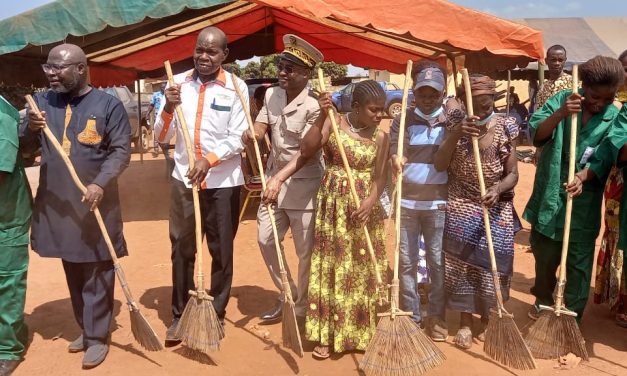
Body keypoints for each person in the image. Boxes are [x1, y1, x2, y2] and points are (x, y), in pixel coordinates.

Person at [20, 44, 131, 369]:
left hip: (96, 203)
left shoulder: (107, 105)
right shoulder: (41, 103)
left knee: (96, 269)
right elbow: (24, 148)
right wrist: (30, 128)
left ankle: (98, 337)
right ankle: (86, 327)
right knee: (72, 265)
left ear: (81, 69)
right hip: (59, 206)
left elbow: (121, 151)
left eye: (59, 68)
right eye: (48, 68)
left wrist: (100, 183)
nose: (51, 74)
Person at [154, 27, 248, 345]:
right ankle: (179, 316)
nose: (203, 56)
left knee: (221, 250)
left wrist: (208, 159)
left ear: (224, 55)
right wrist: (167, 108)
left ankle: (216, 314)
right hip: (184, 180)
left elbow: (238, 136)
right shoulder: (176, 85)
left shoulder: (236, 87)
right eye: (199, 50)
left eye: (211, 51)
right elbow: (161, 138)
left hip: (223, 182)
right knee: (182, 248)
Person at [523, 55, 625, 323]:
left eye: (608, 97)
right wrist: (561, 114)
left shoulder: (613, 116)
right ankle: (543, 301)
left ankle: (572, 317)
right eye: (594, 96)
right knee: (545, 255)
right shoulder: (561, 100)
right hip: (550, 193)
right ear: (584, 86)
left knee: (579, 264)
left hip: (584, 200)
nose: (600, 103)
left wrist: (582, 176)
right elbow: (536, 135)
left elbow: (606, 155)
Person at [301, 80, 389, 359]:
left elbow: (380, 177)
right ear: (355, 107)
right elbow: (307, 148)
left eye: (382, 110)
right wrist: (321, 114)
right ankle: (327, 333)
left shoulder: (382, 137)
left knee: (361, 269)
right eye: (373, 110)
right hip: (334, 208)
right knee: (333, 266)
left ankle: (361, 332)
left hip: (364, 210)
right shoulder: (334, 122)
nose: (379, 115)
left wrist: (370, 202)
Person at [243, 34, 324, 324]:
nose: (282, 72)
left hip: (304, 185)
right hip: (274, 180)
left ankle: (301, 308)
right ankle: (287, 294)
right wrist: (253, 132)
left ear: (306, 74)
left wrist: (277, 179)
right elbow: (262, 123)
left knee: (305, 253)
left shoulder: (315, 107)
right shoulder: (272, 94)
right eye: (281, 65)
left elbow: (305, 153)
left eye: (289, 68)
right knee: (266, 239)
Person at [435, 74, 519, 349]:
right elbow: (439, 165)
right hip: (461, 201)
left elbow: (513, 174)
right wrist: (457, 132)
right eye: (479, 104)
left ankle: (486, 319)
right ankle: (465, 323)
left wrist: (496, 189)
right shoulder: (452, 124)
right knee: (461, 264)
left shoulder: (506, 125)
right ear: (466, 103)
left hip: (495, 204)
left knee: (490, 267)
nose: (486, 110)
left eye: (490, 103)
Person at [390, 63, 453, 342]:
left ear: (443, 94)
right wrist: (396, 156)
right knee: (406, 262)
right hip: (406, 202)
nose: (428, 100)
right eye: (422, 94)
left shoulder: (450, 121)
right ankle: (412, 316)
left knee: (437, 262)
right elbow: (395, 146)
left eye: (433, 95)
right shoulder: (402, 120)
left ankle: (436, 317)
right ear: (414, 93)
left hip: (437, 204)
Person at [593, 50, 627, 327]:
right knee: (617, 236)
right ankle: (618, 297)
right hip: (619, 180)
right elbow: (616, 145)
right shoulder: (617, 106)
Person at [0, 95, 32, 376]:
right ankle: (15, 330)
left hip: (7, 214)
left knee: (7, 279)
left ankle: (8, 349)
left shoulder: (2, 113)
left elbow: (1, 168)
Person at [534, 45, 573, 111]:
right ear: (546, 61)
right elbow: (539, 113)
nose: (557, 63)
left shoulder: (573, 83)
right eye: (553, 60)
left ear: (565, 60)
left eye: (560, 60)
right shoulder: (543, 88)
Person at [146, 83, 166, 153]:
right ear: (160, 88)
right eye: (162, 88)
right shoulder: (156, 95)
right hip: (157, 115)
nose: (164, 89)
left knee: (165, 130)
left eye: (165, 87)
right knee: (157, 130)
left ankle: (164, 146)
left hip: (166, 115)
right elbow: (152, 105)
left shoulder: (168, 95)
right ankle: (156, 146)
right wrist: (148, 113)